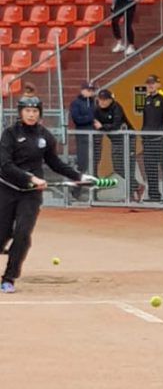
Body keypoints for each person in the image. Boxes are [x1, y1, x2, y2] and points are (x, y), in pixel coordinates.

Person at [0, 96, 95, 293]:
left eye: (35, 111)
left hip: (31, 195)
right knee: (3, 233)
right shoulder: (9, 134)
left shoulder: (45, 137)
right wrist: (30, 177)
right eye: (27, 111)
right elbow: (5, 164)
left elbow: (55, 163)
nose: (31, 115)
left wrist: (79, 176)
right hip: (7, 189)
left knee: (23, 234)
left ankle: (9, 278)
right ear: (20, 113)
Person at [92, 88, 141, 199]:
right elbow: (94, 123)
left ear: (110, 100)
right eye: (100, 99)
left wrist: (102, 127)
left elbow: (116, 125)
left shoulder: (116, 107)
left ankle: (132, 194)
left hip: (127, 138)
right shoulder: (97, 110)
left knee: (129, 165)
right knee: (118, 167)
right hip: (115, 140)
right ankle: (136, 185)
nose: (102, 102)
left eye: (105, 99)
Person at [141, 74, 163, 203]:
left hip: (160, 139)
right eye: (148, 83)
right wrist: (143, 134)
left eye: (153, 83)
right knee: (150, 168)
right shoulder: (147, 99)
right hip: (148, 139)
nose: (150, 86)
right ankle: (154, 195)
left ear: (158, 84)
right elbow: (145, 119)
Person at [69, 82, 97, 199]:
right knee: (83, 164)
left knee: (95, 164)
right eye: (88, 90)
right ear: (82, 90)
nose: (90, 92)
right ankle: (76, 192)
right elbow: (77, 119)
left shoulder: (94, 102)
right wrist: (91, 119)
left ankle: (94, 195)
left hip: (94, 136)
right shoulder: (76, 103)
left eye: (92, 90)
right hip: (82, 136)